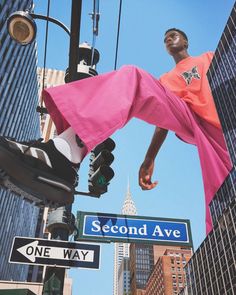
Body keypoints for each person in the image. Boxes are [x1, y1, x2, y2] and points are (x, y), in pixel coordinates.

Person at [0, 28, 232, 233]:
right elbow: (163, 119)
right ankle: (64, 153)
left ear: (186, 41)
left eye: (174, 35)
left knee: (224, 213)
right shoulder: (166, 80)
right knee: (134, 78)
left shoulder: (208, 58)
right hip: (194, 124)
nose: (170, 38)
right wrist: (149, 157)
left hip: (224, 118)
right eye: (165, 38)